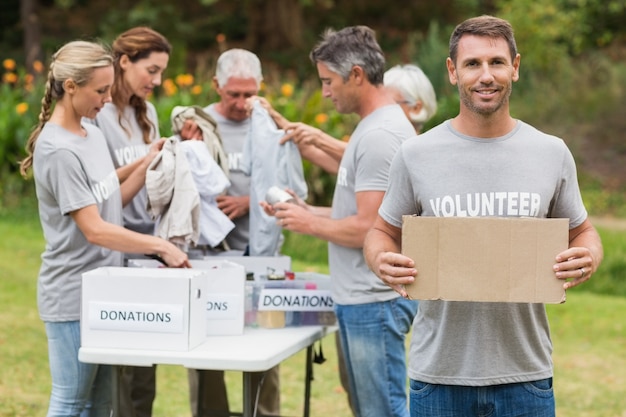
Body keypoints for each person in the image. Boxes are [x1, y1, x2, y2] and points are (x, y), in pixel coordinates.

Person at [363, 15, 604, 417]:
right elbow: (380, 232)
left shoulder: (551, 152)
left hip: (525, 376)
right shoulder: (417, 153)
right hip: (438, 377)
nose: (486, 75)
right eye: (473, 64)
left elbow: (585, 231)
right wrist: (380, 259)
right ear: (453, 72)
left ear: (516, 67)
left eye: (496, 62)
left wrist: (589, 255)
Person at [19, 40, 190, 417]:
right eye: (100, 91)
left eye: (109, 89)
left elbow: (110, 197)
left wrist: (146, 164)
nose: (106, 99)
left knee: (103, 404)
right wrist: (159, 245)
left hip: (104, 289)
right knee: (71, 400)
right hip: (72, 296)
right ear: (70, 87)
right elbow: (95, 228)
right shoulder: (59, 149)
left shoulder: (90, 133)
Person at [261, 26, 418, 417]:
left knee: (381, 409)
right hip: (360, 300)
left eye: (328, 82)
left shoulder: (381, 135)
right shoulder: (370, 127)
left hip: (373, 301)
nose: (326, 91)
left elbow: (369, 229)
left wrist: (307, 224)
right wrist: (302, 210)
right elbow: (358, 212)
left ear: (357, 75)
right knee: (366, 407)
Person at [178, 48, 281, 417]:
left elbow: (286, 184)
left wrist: (247, 202)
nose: (241, 103)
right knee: (205, 349)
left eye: (249, 94)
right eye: (232, 94)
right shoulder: (199, 125)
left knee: (266, 348)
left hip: (259, 253)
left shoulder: (267, 124)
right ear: (216, 86)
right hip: (209, 256)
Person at [89, 26, 172, 417]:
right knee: (118, 365)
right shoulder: (97, 116)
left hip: (149, 249)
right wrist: (148, 161)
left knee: (146, 364)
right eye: (151, 70)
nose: (156, 81)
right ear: (124, 61)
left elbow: (154, 179)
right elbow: (107, 202)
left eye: (161, 73)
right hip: (114, 246)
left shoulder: (148, 112)